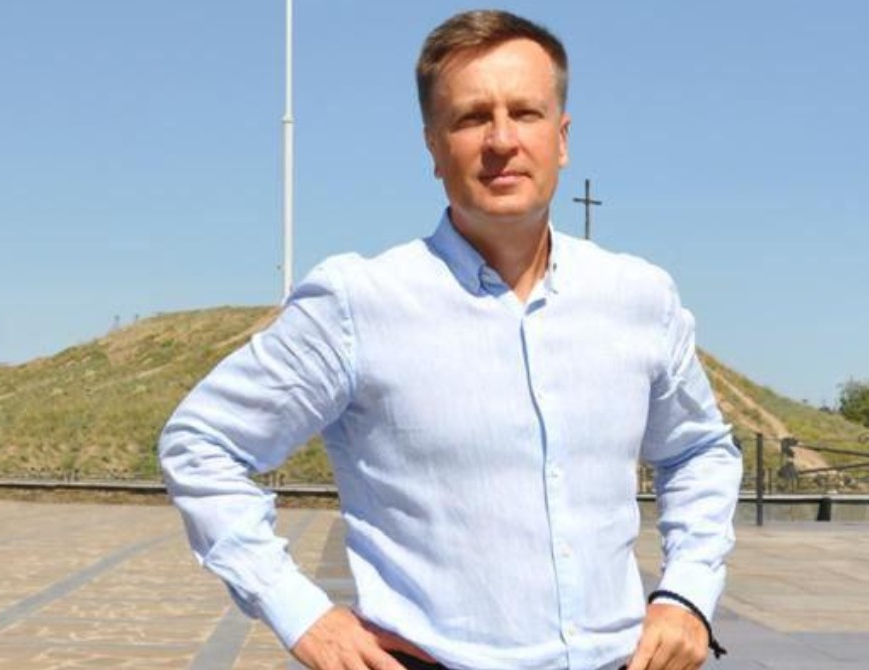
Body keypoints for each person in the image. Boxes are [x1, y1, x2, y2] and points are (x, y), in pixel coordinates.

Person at [159, 9, 741, 670]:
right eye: (471, 118)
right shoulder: (359, 303)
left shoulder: (640, 297)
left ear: (562, 138)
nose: (502, 140)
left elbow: (699, 451)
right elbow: (201, 443)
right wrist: (301, 614)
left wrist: (688, 593)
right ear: (434, 147)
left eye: (525, 113)